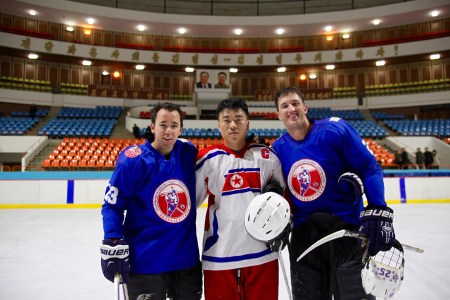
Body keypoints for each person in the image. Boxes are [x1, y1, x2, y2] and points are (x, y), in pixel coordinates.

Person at [272, 87, 395, 300]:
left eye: (295, 103)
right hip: (305, 235)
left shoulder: (335, 131)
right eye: (285, 106)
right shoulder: (278, 149)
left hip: (347, 231)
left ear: (305, 107)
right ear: (278, 114)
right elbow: (277, 191)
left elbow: (369, 167)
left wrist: (377, 206)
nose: (291, 109)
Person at [100, 102, 202, 300]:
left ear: (181, 128)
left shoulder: (188, 153)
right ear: (152, 126)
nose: (168, 131)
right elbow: (112, 205)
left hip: (186, 262)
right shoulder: (133, 161)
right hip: (145, 262)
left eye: (174, 126)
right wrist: (113, 238)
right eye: (163, 124)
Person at [196, 98, 286, 300]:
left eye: (238, 119)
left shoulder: (267, 157)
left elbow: (282, 201)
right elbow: (188, 206)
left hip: (263, 255)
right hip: (219, 257)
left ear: (248, 123)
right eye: (226, 120)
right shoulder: (207, 160)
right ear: (219, 125)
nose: (233, 125)